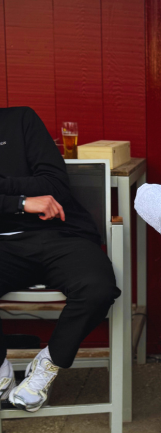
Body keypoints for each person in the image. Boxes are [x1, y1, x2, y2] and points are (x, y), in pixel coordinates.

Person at [0, 107, 120, 412]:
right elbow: (34, 189)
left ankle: (49, 362)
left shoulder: (20, 120)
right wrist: (20, 201)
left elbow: (54, 184)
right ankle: (1, 370)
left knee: (98, 290)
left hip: (59, 233)